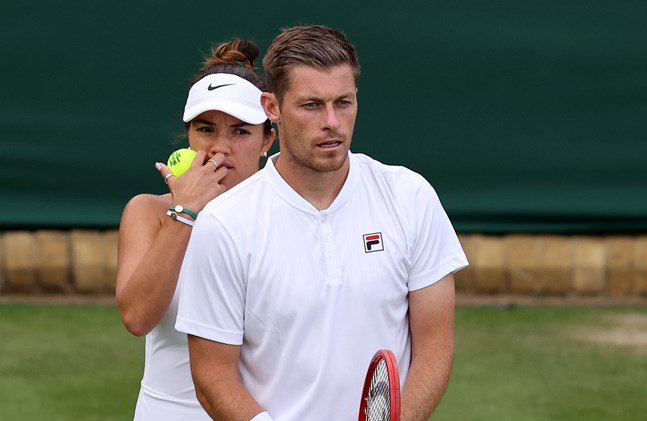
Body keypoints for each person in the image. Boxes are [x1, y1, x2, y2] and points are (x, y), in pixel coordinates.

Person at [175, 25, 468, 421]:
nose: (332, 121)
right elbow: (212, 374)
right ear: (272, 108)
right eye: (311, 105)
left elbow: (435, 346)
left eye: (343, 102)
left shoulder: (410, 196)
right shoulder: (225, 224)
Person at [115, 39, 275, 420]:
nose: (220, 148)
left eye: (240, 132)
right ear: (188, 136)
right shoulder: (148, 212)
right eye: (206, 130)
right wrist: (184, 213)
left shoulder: (286, 216)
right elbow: (137, 317)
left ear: (268, 139)